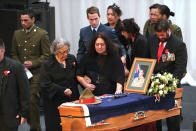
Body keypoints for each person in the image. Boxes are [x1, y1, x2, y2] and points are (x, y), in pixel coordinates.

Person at [11, 9, 50, 131]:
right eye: (21, 20)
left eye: (25, 20)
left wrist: (33, 63)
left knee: (32, 99)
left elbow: (47, 56)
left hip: (36, 74)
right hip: (20, 73)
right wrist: (19, 64)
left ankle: (35, 128)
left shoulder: (42, 34)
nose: (23, 23)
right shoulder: (17, 34)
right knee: (20, 101)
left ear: (33, 20)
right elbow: (13, 53)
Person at [148, 19, 187, 131]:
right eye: (158, 35)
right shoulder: (151, 39)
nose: (160, 37)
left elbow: (180, 68)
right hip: (154, 85)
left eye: (163, 35)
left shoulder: (178, 44)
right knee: (155, 117)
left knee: (172, 118)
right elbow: (147, 59)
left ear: (168, 30)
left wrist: (168, 83)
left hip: (172, 86)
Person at [40, 38, 79, 131]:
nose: (65, 54)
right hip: (54, 101)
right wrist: (63, 90)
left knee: (73, 125)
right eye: (62, 52)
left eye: (67, 51)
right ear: (55, 51)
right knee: (56, 126)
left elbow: (77, 74)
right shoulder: (47, 64)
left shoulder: (71, 58)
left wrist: (84, 78)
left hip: (71, 98)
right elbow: (45, 83)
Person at [0, 38, 30, 131]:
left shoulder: (16, 67)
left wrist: (23, 113)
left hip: (9, 117)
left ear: (2, 51)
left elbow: (25, 92)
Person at [105, 3, 129, 76]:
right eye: (108, 14)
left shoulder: (123, 27)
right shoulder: (104, 27)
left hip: (122, 59)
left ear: (118, 16)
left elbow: (127, 45)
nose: (109, 17)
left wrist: (124, 56)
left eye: (112, 14)